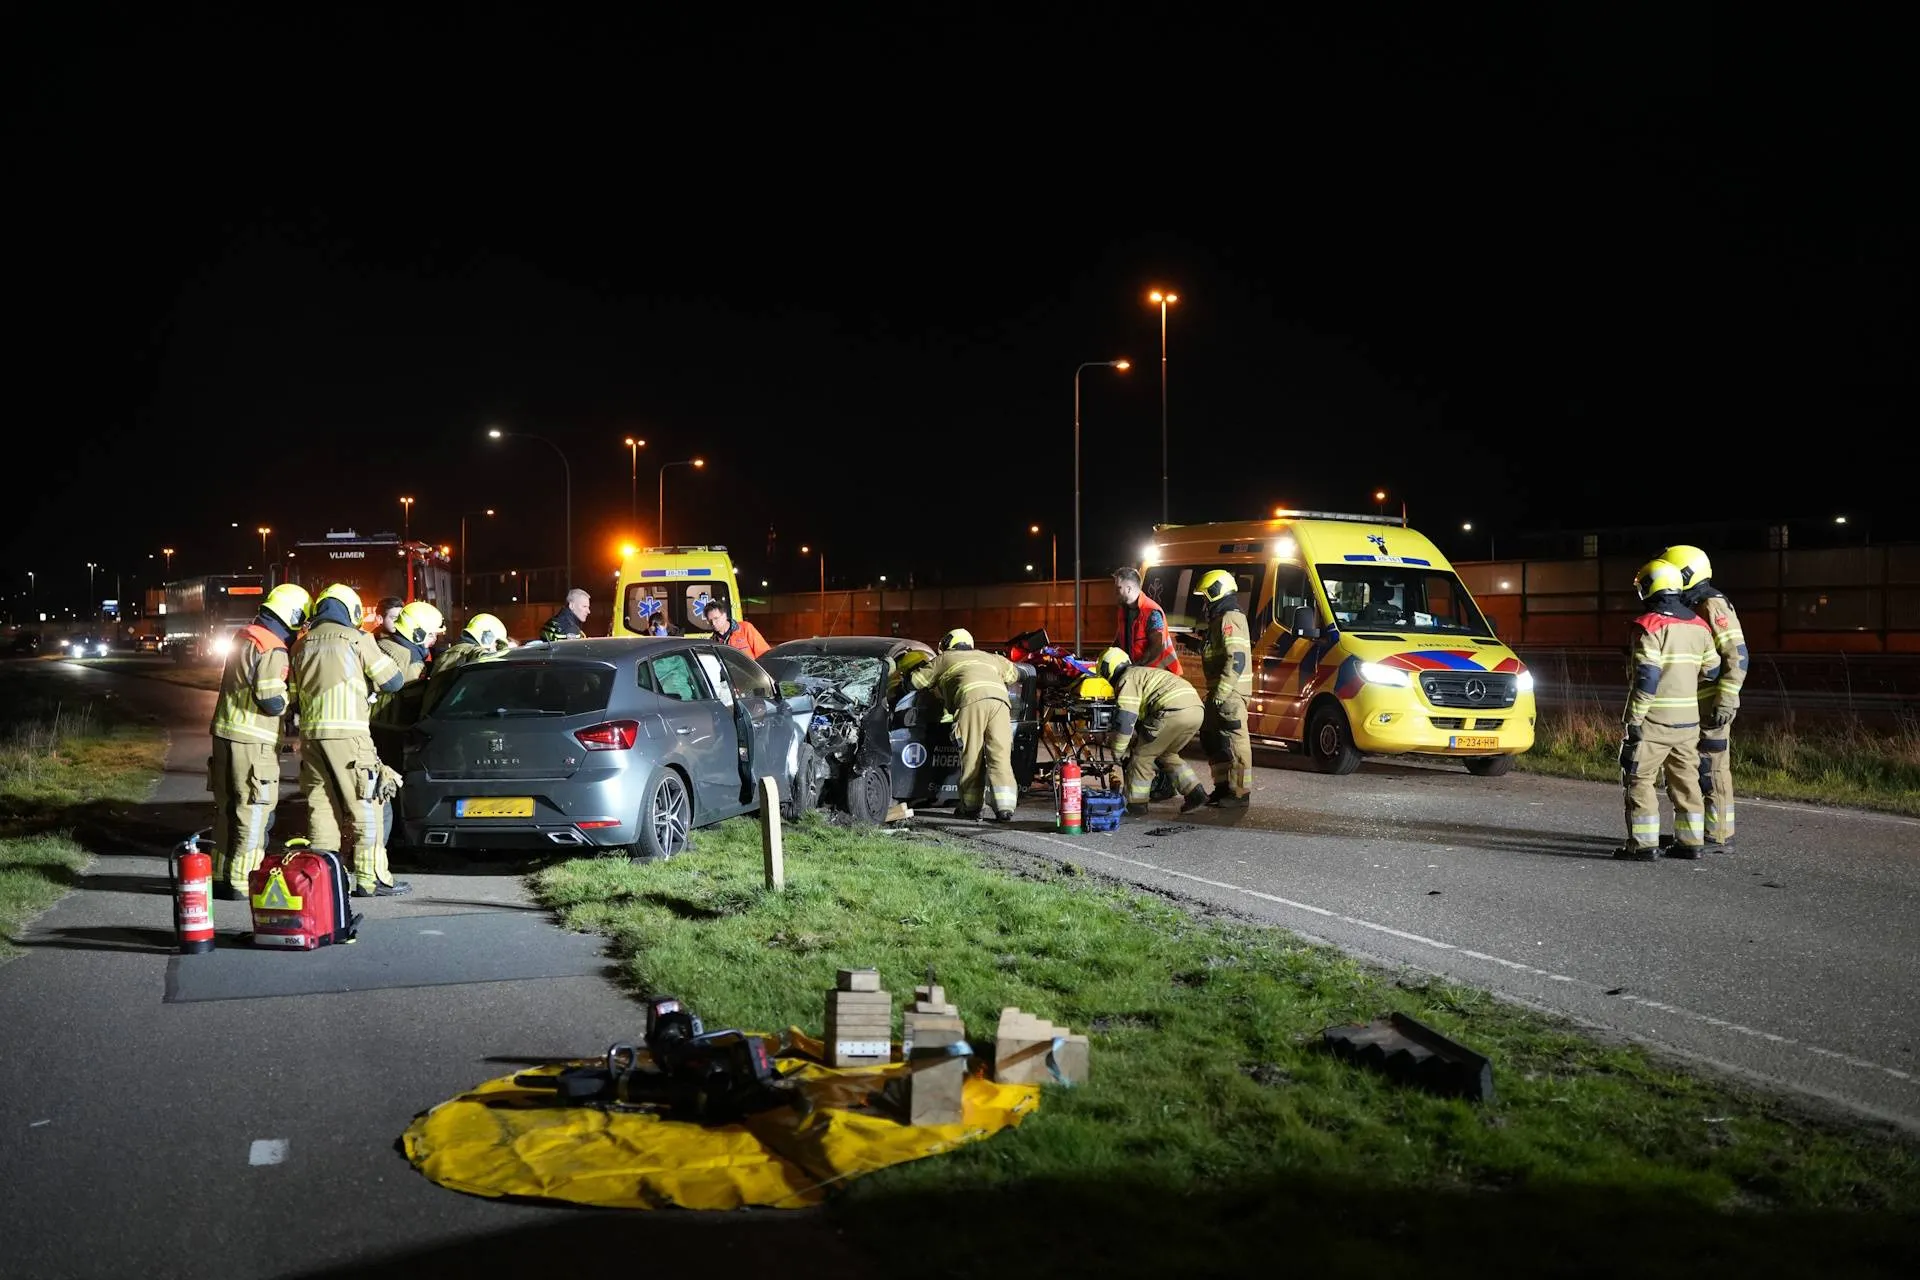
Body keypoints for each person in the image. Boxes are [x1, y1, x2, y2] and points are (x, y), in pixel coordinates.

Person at [291, 583, 408, 896]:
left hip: (312, 738)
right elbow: (393, 681)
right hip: (350, 738)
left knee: (321, 807)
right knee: (366, 805)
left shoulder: (302, 644)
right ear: (351, 611)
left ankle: (325, 880)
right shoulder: (358, 639)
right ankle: (372, 880)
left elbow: (293, 696)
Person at [207, 583, 310, 899]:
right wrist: (289, 696)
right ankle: (243, 879)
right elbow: (270, 699)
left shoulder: (245, 635)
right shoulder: (273, 647)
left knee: (226, 809)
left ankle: (221, 875)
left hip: (225, 733)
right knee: (254, 809)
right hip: (253, 740)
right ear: (292, 615)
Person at [1615, 559, 1715, 861]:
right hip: (1688, 723)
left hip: (1654, 722)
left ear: (1649, 587)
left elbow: (1647, 679)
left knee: (1639, 779)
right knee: (1686, 781)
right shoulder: (1699, 625)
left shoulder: (1650, 626)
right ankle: (1690, 842)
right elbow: (1711, 669)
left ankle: (1643, 846)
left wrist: (1633, 718)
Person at [1659, 543, 1748, 852]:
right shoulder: (1692, 605)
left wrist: (1727, 698)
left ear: (1685, 573)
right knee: (1691, 769)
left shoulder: (1711, 604)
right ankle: (1693, 834)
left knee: (1711, 769)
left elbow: (1737, 655)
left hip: (1711, 705)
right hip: (1693, 704)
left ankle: (1718, 835)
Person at [908, 628, 1022, 822]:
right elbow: (1015, 674)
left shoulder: (944, 659)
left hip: (971, 702)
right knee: (1000, 755)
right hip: (1000, 704)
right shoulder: (990, 657)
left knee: (972, 756)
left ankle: (971, 807)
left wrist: (909, 670)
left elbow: (916, 682)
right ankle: (1005, 808)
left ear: (947, 644)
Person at [1098, 647, 1207, 817]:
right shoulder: (1144, 673)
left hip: (1172, 710)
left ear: (1108, 670)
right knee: (1166, 754)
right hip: (1196, 710)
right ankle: (1195, 793)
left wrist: (1117, 751)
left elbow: (1125, 721)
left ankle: (1136, 805)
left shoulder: (1127, 679)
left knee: (1142, 757)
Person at [1193, 570, 1253, 807]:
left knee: (1237, 743)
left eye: (1206, 596)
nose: (1204, 602)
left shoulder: (1231, 618)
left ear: (1217, 592)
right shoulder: (1219, 620)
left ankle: (1239, 793)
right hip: (1219, 692)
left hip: (1230, 693)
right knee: (1211, 738)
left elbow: (1236, 659)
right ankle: (1221, 787)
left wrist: (1222, 693)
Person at [420, 612, 509, 714]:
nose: (496, 648)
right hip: (451, 718)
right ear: (487, 636)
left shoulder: (452, 652)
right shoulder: (471, 653)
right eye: (497, 643)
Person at [1112, 566, 1182, 674]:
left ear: (1129, 589)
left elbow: (1156, 646)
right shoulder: (1123, 610)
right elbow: (1120, 639)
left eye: (1118, 588)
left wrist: (1137, 667)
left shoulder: (1151, 612)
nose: (1115, 592)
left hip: (1160, 672)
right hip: (1142, 671)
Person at [704, 599, 769, 658]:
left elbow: (764, 653)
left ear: (724, 615)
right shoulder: (712, 642)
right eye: (710, 620)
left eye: (716, 618)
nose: (713, 623)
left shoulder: (746, 628)